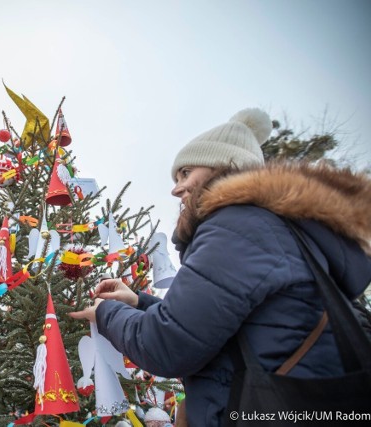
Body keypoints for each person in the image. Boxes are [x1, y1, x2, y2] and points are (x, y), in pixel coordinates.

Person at [70, 108, 371, 426]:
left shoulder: (239, 226)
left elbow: (168, 346)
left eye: (185, 173)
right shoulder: (272, 229)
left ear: (223, 166)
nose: (176, 189)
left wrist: (106, 312)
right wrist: (140, 302)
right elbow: (218, 326)